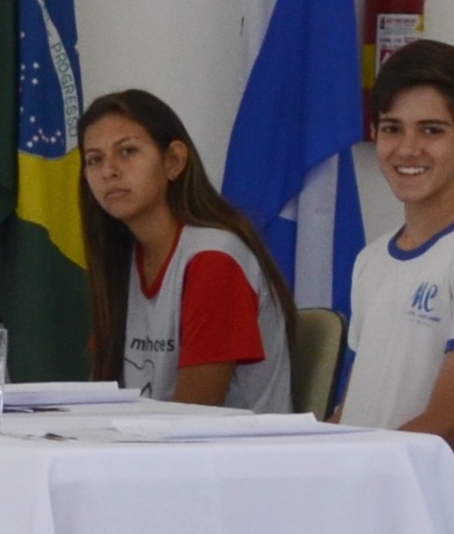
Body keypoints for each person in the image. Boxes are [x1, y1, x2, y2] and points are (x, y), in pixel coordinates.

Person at [336, 40, 454, 442]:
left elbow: (452, 423)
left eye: (431, 130)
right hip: (360, 469)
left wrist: (359, 464)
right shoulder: (370, 259)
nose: (407, 149)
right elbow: (351, 409)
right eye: (392, 129)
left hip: (410, 478)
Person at [76, 89, 294, 410]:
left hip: (218, 442)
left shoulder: (214, 259)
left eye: (127, 151)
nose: (108, 171)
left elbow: (193, 414)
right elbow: (103, 395)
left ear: (174, 161)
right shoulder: (122, 257)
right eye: (95, 159)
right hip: (148, 439)